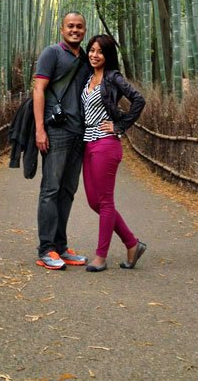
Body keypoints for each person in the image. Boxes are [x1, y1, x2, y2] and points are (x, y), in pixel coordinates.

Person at [81, 34, 147, 272]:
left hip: (106, 143)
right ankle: (132, 243)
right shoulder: (88, 77)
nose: (94, 55)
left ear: (108, 56)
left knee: (105, 201)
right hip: (87, 143)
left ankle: (101, 256)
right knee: (93, 201)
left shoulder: (113, 77)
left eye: (100, 51)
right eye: (91, 50)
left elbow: (138, 99)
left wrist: (119, 126)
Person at [32, 11, 90, 270]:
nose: (75, 30)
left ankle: (61, 246)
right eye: (70, 26)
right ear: (61, 29)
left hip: (80, 133)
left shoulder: (88, 58)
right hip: (56, 131)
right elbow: (38, 90)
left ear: (84, 30)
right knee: (51, 189)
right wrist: (39, 130)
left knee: (68, 191)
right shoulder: (51, 53)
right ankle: (46, 249)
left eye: (79, 27)